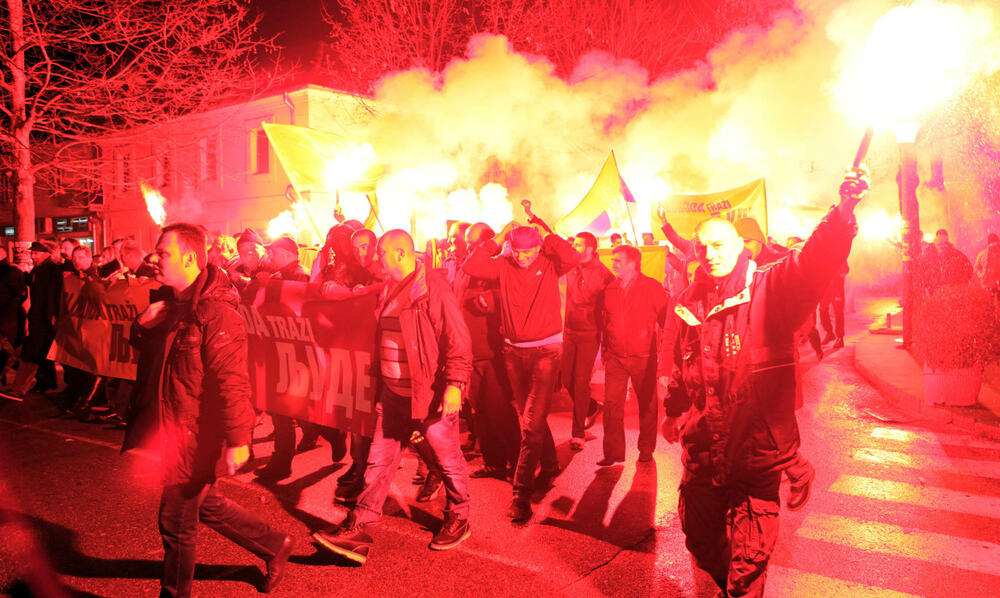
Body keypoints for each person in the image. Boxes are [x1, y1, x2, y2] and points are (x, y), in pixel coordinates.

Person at [659, 169, 867, 597]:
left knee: (748, 564)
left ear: (740, 246)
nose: (711, 254)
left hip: (754, 453)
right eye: (703, 247)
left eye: (720, 245)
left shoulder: (769, 287)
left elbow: (813, 263)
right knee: (700, 541)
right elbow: (682, 365)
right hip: (703, 454)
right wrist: (673, 411)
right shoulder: (687, 302)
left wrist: (842, 212)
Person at [136, 222, 293, 597]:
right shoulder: (174, 304)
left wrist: (240, 439)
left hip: (196, 435)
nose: (155, 259)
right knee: (204, 505)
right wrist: (141, 326)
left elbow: (232, 379)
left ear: (190, 259)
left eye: (164, 253)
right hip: (175, 427)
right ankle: (274, 544)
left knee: (175, 522)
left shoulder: (217, 313)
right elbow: (154, 360)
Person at [312, 229, 473, 563]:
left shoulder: (432, 289)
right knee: (379, 463)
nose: (377, 257)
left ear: (401, 253)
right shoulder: (389, 288)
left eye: (382, 252)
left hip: (426, 393)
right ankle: (360, 528)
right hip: (393, 394)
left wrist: (455, 384)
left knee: (447, 460)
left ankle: (459, 516)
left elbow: (457, 339)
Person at [463, 221, 580, 523]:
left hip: (546, 352)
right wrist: (498, 238)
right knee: (531, 416)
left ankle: (521, 496)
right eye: (518, 251)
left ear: (538, 248)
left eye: (529, 252)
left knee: (529, 425)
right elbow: (471, 265)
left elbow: (573, 257)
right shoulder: (503, 265)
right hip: (513, 353)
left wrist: (546, 233)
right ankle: (550, 464)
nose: (523, 257)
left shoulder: (550, 264)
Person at [256, 236, 348, 482]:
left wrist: (269, 286)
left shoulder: (302, 276)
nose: (269, 257)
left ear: (287, 254)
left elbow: (302, 310)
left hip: (298, 355)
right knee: (284, 411)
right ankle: (283, 461)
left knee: (300, 411)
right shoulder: (277, 276)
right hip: (280, 351)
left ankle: (333, 436)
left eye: (274, 253)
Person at [456, 222, 520, 480]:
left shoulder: (498, 267)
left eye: (473, 243)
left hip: (492, 355)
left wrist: (497, 240)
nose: (468, 248)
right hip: (470, 353)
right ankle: (493, 462)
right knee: (481, 413)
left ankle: (518, 464)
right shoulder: (465, 270)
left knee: (501, 412)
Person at [600, 244, 668, 466]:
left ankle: (646, 449)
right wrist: (606, 350)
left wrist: (667, 357)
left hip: (644, 357)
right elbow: (605, 321)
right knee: (611, 405)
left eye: (617, 261)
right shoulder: (609, 288)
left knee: (647, 405)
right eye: (613, 260)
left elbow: (667, 321)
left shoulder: (652, 287)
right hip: (616, 357)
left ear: (632, 263)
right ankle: (613, 453)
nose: (613, 264)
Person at [563, 232, 614, 451]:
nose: (575, 248)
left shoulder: (604, 274)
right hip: (568, 331)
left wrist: (608, 339)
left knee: (580, 381)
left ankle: (578, 433)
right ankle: (590, 405)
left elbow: (611, 307)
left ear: (591, 248)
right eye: (574, 244)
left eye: (580, 244)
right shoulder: (570, 266)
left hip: (589, 333)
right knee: (566, 379)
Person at [24, 241, 63, 393]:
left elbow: (53, 295)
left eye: (35, 253)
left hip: (45, 317)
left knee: (43, 350)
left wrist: (51, 315)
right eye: (32, 253)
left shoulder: (52, 270)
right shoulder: (38, 269)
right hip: (38, 316)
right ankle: (44, 380)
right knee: (39, 350)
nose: (32, 256)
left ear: (46, 254)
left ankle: (47, 381)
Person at [0, 246, 27, 381]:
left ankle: (15, 370)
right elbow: (22, 293)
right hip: (10, 315)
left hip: (8, 316)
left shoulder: (11, 272)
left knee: (10, 347)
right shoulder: (13, 271)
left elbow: (21, 293)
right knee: (11, 346)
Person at [974, 233, 1000, 304]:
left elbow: (976, 268)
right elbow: (976, 268)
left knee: (990, 304)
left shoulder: (982, 254)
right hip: (988, 284)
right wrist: (981, 275)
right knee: (989, 304)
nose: (995, 247)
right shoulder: (983, 254)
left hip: (992, 284)